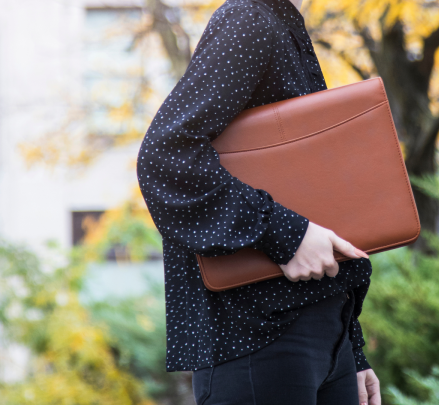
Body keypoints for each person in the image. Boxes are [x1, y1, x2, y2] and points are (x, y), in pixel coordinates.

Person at [136, 0, 381, 403]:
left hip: (320, 341)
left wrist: (350, 350)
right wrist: (288, 235)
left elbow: (311, 192)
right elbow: (166, 158)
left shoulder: (286, 26)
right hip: (257, 341)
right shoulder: (248, 20)